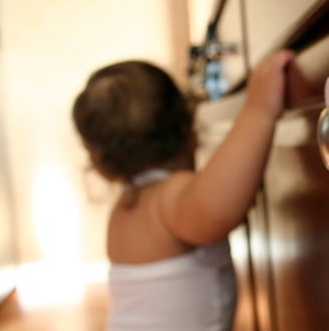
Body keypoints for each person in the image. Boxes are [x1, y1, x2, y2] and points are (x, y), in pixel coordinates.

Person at [72, 50, 295, 331]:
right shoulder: (167, 200)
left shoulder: (129, 206)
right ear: (190, 129)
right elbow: (219, 209)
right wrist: (258, 110)